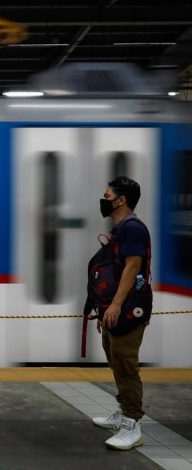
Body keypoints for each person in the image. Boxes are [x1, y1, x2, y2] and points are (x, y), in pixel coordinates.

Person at [91, 177, 150, 450]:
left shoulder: (132, 229)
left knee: (126, 364)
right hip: (115, 308)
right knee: (115, 359)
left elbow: (132, 268)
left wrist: (114, 305)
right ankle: (124, 410)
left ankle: (132, 425)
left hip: (128, 310)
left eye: (107, 195)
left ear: (121, 199)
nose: (104, 200)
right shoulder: (121, 228)